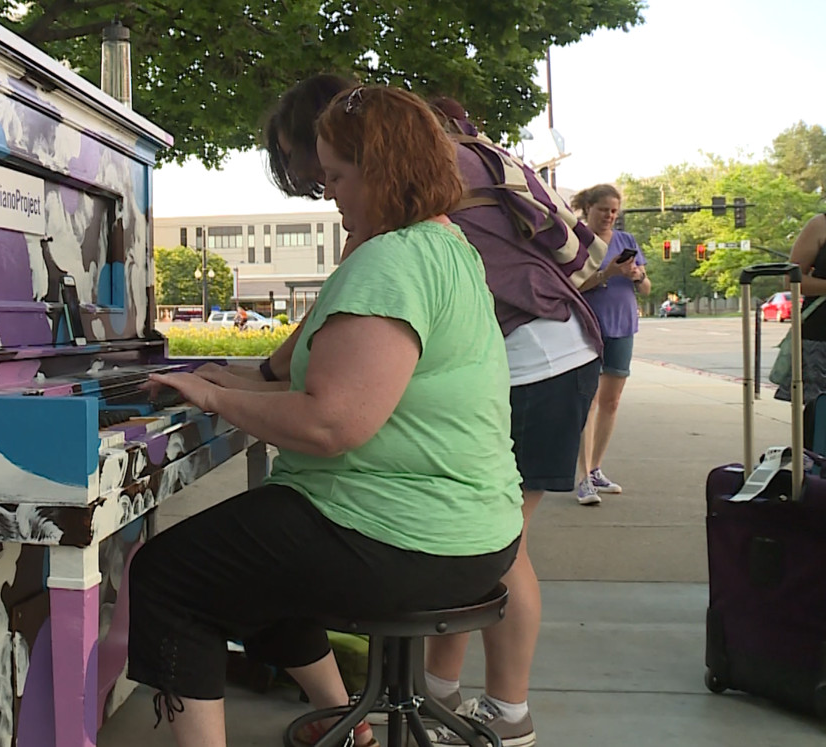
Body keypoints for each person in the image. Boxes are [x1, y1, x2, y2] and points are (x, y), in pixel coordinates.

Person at [127, 85, 524, 747]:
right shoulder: (446, 246)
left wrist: (216, 397)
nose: (330, 194)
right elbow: (328, 380)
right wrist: (215, 376)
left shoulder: (388, 263)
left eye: (337, 177)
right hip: (472, 534)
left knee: (171, 578)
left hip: (400, 535)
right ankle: (348, 728)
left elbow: (333, 425)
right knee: (248, 558)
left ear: (384, 169)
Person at [248, 75, 639, 746]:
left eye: (303, 155)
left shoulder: (397, 177)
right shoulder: (433, 149)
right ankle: (437, 695)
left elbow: (346, 298)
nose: (308, 175)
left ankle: (506, 712)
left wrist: (267, 372)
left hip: (533, 354)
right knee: (481, 533)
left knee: (488, 536)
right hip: (549, 345)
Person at [573, 184, 650, 505]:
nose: (609, 216)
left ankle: (596, 470)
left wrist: (634, 275)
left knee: (611, 402)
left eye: (614, 211)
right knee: (587, 401)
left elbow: (646, 288)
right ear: (588, 208)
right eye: (604, 209)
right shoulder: (577, 240)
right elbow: (572, 284)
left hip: (623, 326)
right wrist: (607, 273)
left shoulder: (626, 241)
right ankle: (582, 478)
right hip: (587, 327)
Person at [783, 213, 826, 444]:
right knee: (819, 415)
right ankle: (816, 472)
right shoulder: (820, 225)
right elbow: (792, 279)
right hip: (821, 338)